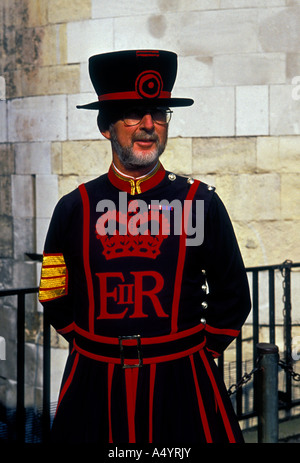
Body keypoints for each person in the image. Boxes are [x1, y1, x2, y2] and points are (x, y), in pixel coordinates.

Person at [38, 49, 251, 443]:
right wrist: (91, 351)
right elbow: (54, 296)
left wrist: (201, 355)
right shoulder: (74, 208)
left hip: (183, 382)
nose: (149, 125)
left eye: (159, 114)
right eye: (134, 113)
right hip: (95, 385)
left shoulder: (200, 203)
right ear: (106, 126)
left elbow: (234, 295)